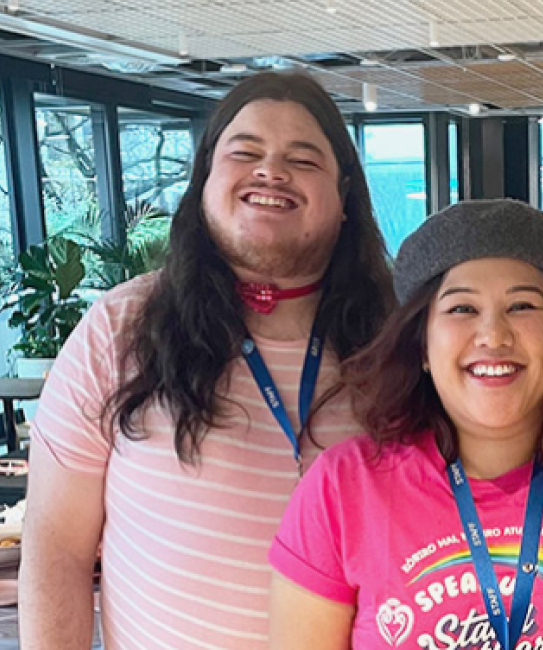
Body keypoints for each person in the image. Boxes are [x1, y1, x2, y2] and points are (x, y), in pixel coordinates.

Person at [20, 72, 394, 650]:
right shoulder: (121, 328)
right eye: (245, 152)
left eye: (304, 159)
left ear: (345, 199)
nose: (272, 171)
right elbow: (58, 552)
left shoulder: (396, 343)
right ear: (204, 184)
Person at [267, 199, 543, 649]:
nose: (494, 336)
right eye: (461, 309)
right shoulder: (342, 487)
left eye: (522, 306)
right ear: (421, 347)